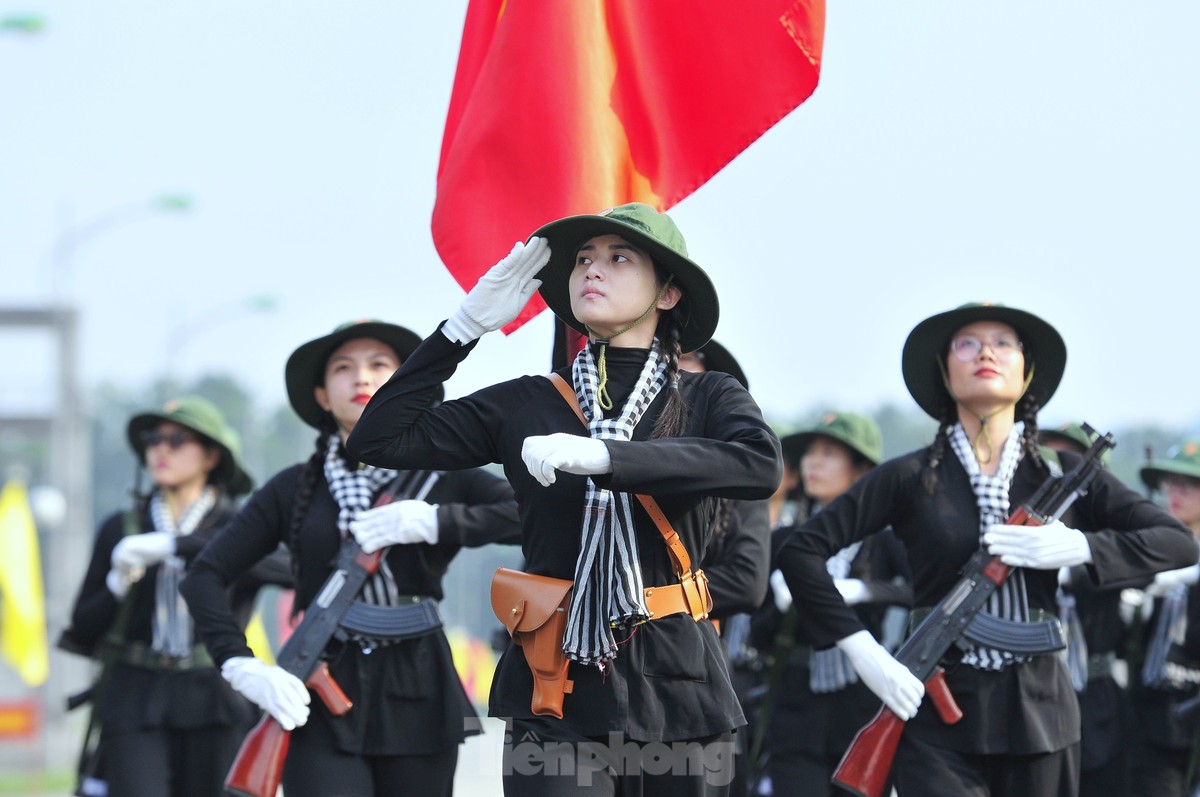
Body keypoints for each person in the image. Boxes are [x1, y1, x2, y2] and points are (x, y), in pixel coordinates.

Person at [346, 202, 783, 796]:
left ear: (668, 295)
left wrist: (611, 459)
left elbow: (759, 465)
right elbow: (381, 437)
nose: (591, 271)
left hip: (679, 686)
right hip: (556, 688)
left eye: (618, 258)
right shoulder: (528, 403)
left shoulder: (709, 396)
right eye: (582, 260)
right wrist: (463, 327)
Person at [775, 302, 1198, 797]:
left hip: (1041, 715)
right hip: (935, 714)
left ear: (1026, 372)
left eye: (1003, 343)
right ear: (944, 371)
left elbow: (1174, 542)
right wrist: (866, 653)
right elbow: (800, 551)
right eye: (968, 344)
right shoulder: (912, 475)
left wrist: (1079, 546)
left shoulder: (1059, 473)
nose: (986, 354)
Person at [179, 320, 522, 797]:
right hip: (319, 687)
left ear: (407, 384)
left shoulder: (442, 479)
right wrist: (239, 664)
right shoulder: (292, 489)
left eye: (379, 365)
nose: (361, 378)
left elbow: (527, 513)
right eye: (343, 368)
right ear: (322, 395)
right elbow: (204, 576)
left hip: (418, 687)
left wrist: (435, 521)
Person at [59, 395, 283, 797]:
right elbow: (84, 626)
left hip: (215, 694)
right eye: (152, 439)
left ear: (211, 456)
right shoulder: (123, 527)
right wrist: (116, 582)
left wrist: (176, 545)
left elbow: (291, 570)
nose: (160, 449)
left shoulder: (239, 523)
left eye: (177, 439)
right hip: (136, 695)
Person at [757, 412, 911, 797]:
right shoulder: (785, 541)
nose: (813, 462)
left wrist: (864, 590)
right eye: (809, 453)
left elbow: (920, 591)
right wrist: (779, 602)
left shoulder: (883, 540)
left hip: (861, 699)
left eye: (828, 453)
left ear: (861, 470)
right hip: (796, 699)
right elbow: (758, 635)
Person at [679, 339, 771, 797]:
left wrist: (644, 593)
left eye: (687, 368)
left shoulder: (737, 486)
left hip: (694, 663)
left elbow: (747, 582)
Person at [1041, 423, 1132, 797]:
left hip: (1094, 698)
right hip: (1033, 696)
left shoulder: (1110, 536)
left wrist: (1079, 559)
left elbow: (1148, 561)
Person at [1128, 440, 1200, 796]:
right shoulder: (1151, 552)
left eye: (1190, 484)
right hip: (1150, 718)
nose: (1176, 491)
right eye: (1171, 482)